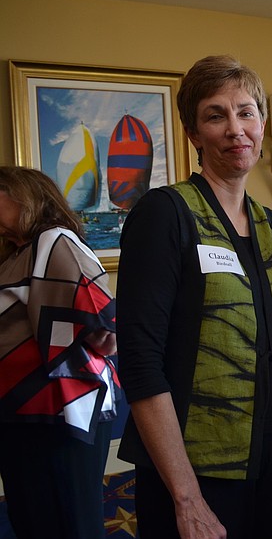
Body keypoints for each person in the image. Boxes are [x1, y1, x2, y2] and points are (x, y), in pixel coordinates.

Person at [117, 55, 272, 539]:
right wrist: (186, 497)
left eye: (246, 112)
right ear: (193, 133)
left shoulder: (270, 224)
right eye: (215, 115)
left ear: (263, 124)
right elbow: (141, 361)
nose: (235, 128)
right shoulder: (165, 214)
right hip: (196, 467)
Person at [0, 166, 120, 539]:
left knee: (69, 524)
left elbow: (104, 327)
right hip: (20, 411)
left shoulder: (55, 242)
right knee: (33, 520)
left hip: (58, 411)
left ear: (25, 197)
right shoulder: (15, 253)